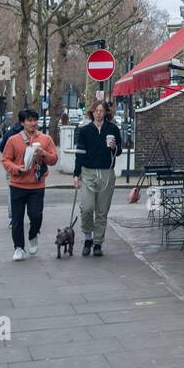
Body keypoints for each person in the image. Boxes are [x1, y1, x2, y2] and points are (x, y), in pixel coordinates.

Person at [0, 109, 57, 261]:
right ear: (22, 122)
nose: (33, 123)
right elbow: (5, 160)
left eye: (35, 120)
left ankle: (33, 235)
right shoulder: (13, 140)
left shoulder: (45, 139)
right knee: (17, 218)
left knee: (36, 215)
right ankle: (19, 248)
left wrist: (44, 153)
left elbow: (54, 159)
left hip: (37, 185)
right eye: (29, 120)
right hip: (17, 184)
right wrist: (16, 168)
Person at [73, 100, 123, 257]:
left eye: (101, 110)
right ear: (92, 112)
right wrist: (76, 174)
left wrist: (114, 147)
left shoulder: (113, 129)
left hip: (107, 172)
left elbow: (120, 151)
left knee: (102, 211)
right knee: (87, 208)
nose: (98, 113)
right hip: (88, 172)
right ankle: (88, 238)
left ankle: (97, 243)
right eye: (96, 110)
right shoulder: (85, 130)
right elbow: (80, 153)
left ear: (106, 112)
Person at [1, 116, 24, 228]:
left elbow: (2, 148)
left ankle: (13, 217)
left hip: (11, 167)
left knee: (11, 193)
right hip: (27, 168)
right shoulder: (31, 134)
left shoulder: (9, 133)